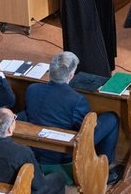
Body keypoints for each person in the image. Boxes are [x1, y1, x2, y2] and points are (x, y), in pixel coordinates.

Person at [25, 52, 121, 180]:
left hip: (37, 149)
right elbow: (87, 132)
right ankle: (101, 171)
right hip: (65, 155)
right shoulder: (77, 100)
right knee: (111, 119)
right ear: (71, 75)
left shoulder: (32, 89)